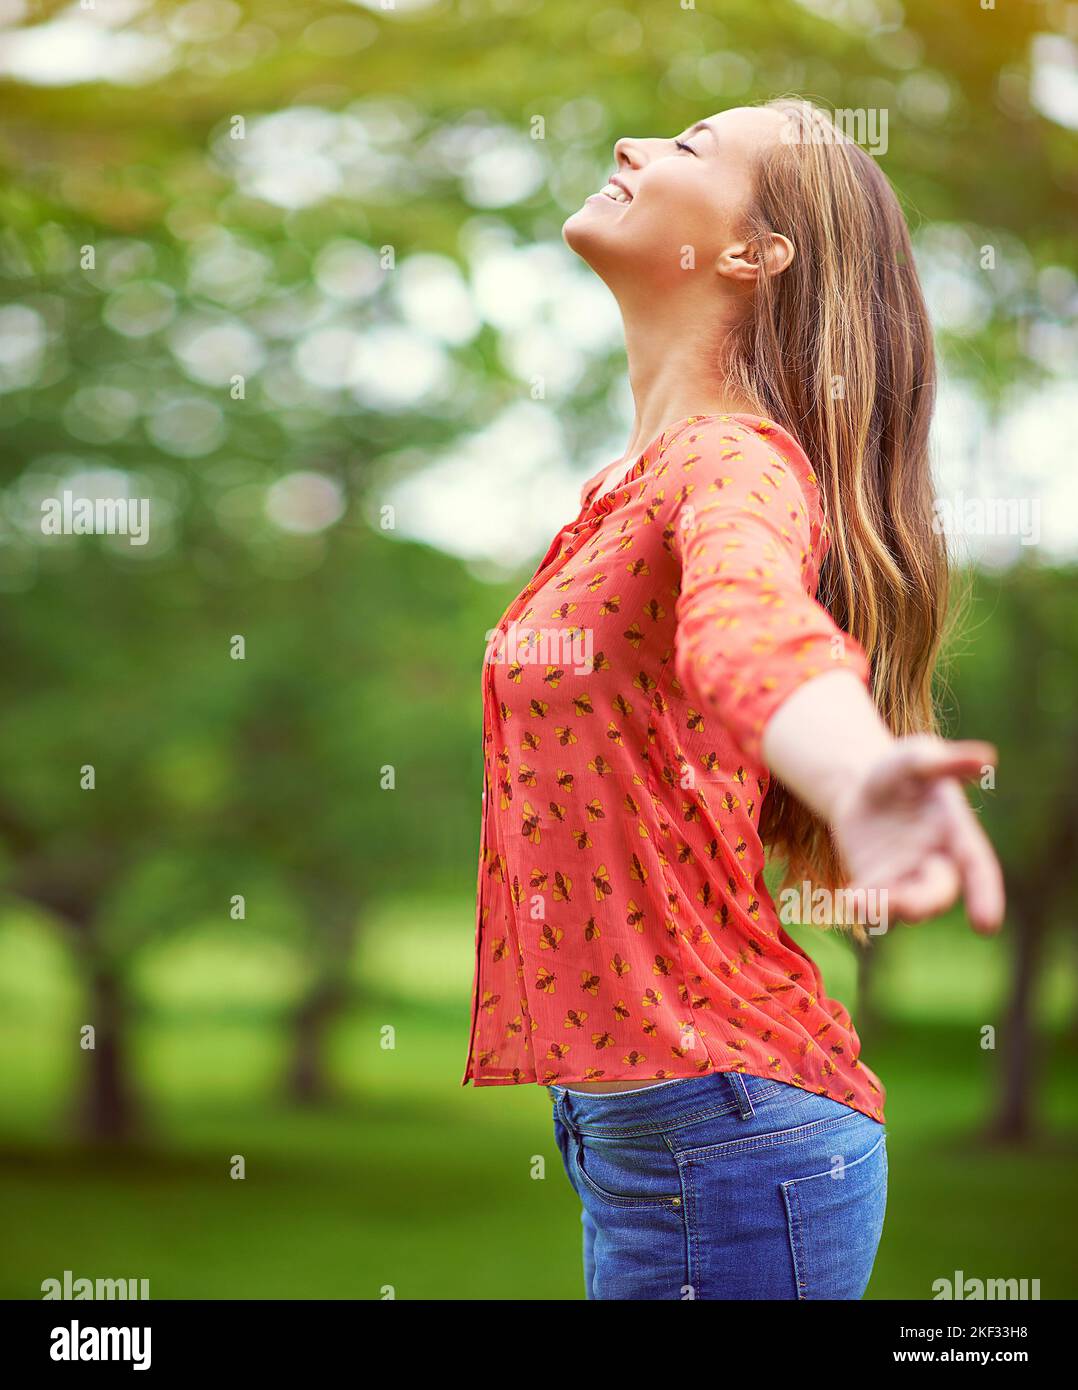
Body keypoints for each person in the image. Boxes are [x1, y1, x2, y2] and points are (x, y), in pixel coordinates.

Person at [461, 99, 1005, 1300]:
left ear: (758, 254)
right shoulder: (632, 482)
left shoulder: (733, 463)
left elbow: (746, 621)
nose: (630, 149)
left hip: (729, 1137)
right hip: (654, 1134)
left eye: (691, 147)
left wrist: (855, 765)